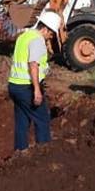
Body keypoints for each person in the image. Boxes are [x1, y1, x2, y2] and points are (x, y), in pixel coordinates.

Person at [8, 10, 62, 150]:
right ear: (45, 28)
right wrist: (37, 90)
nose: (51, 37)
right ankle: (43, 156)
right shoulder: (37, 40)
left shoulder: (24, 36)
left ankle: (20, 153)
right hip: (27, 87)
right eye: (51, 33)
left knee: (22, 122)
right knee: (42, 120)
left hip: (14, 86)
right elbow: (33, 64)